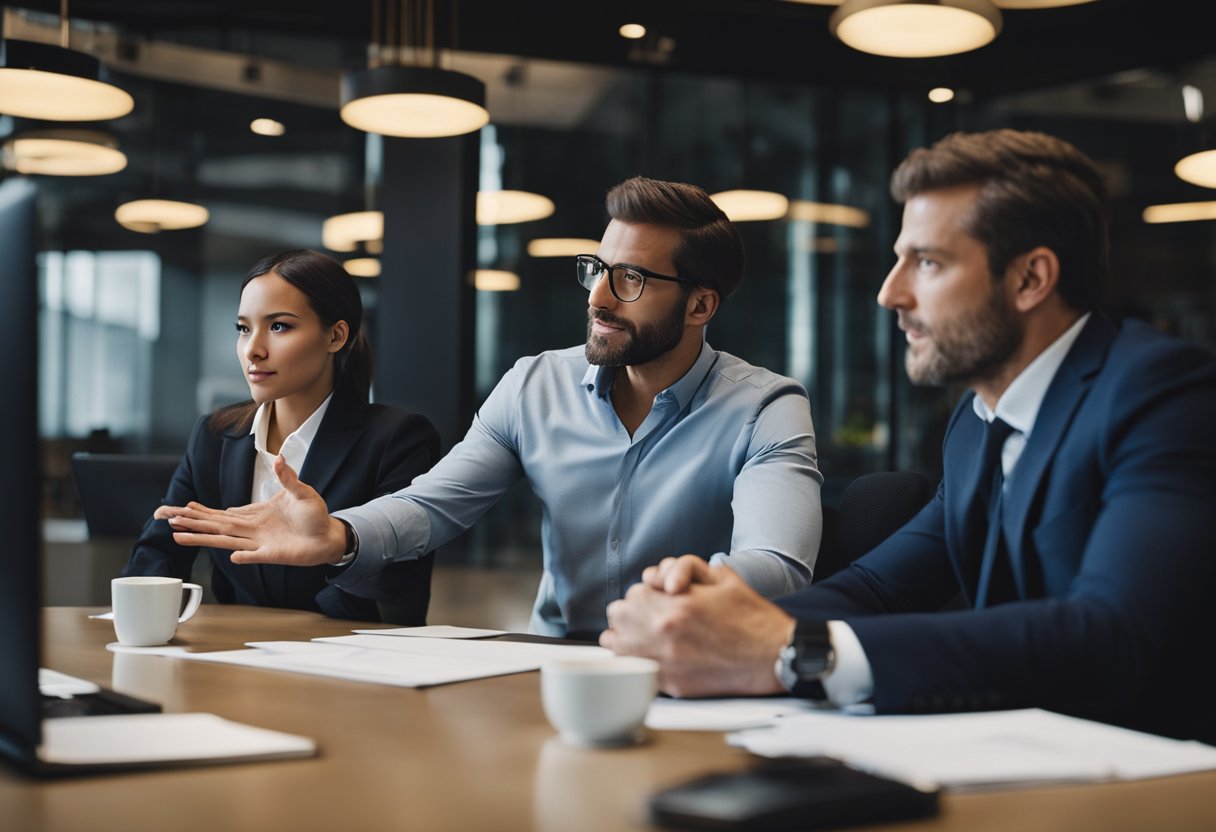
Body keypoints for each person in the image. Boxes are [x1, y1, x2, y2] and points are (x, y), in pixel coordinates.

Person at [601, 130, 1216, 743]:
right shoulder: (976, 423)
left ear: (1031, 279)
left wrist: (797, 648)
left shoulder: (1164, 396)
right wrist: (706, 624)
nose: (890, 293)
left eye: (927, 262)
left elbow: (1107, 636)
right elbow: (877, 588)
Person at [154, 177, 824, 638]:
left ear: (701, 305)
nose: (598, 299)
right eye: (597, 269)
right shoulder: (534, 386)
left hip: (690, 660)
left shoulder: (767, 407)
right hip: (554, 661)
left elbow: (778, 563)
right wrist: (342, 537)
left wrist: (688, 590)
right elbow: (431, 505)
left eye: (632, 280)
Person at [123, 249, 440, 622]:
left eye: (279, 326)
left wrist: (334, 547)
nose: (253, 350)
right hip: (233, 660)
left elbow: (396, 597)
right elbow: (158, 554)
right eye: (244, 328)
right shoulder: (214, 435)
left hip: (344, 664)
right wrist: (142, 625)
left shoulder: (397, 440)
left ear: (336, 336)